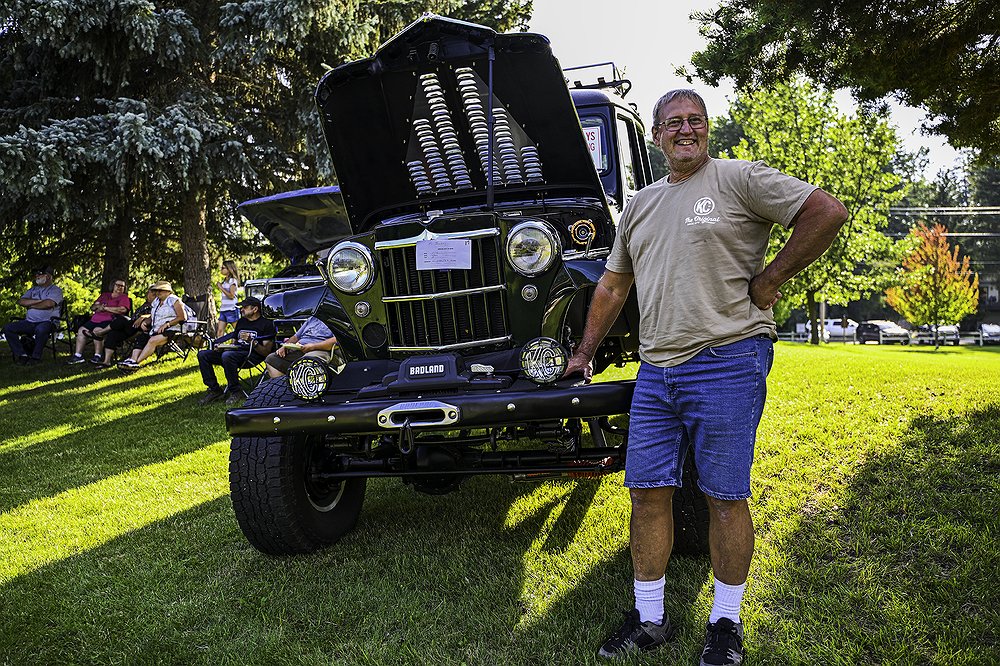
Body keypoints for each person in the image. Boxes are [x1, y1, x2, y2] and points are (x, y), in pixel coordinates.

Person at [562, 89, 848, 666]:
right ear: (656, 135)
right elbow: (613, 286)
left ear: (708, 128)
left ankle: (725, 623)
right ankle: (649, 618)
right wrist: (583, 353)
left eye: (695, 120)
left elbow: (826, 212)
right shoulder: (639, 206)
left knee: (724, 496)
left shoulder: (738, 179)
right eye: (673, 123)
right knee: (647, 493)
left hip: (728, 359)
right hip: (656, 371)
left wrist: (770, 280)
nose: (685, 130)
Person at [197, 297, 277, 406]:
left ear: (255, 309)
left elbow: (266, 352)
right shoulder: (241, 321)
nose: (241, 309)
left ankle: (236, 391)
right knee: (203, 354)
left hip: (252, 355)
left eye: (245, 307)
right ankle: (214, 390)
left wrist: (252, 342)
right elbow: (234, 342)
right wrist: (223, 347)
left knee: (227, 356)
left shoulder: (266, 324)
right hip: (234, 353)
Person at [117, 281, 186, 370]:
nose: (158, 292)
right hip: (156, 329)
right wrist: (146, 322)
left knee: (152, 340)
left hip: (173, 329)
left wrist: (167, 324)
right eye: (157, 290)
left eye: (161, 290)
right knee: (142, 337)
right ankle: (132, 360)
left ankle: (135, 363)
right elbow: (153, 316)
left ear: (168, 291)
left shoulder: (174, 300)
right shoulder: (156, 302)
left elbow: (182, 317)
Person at [3, 267, 64, 365]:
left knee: (41, 329)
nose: (37, 276)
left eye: (39, 274)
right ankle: (22, 355)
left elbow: (49, 304)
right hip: (29, 322)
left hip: (48, 322)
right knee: (8, 328)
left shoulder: (55, 290)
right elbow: (21, 301)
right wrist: (40, 301)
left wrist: (31, 305)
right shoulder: (33, 289)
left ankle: (36, 357)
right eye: (36, 274)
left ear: (48, 276)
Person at [66, 279, 132, 364]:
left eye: (122, 286)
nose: (119, 287)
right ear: (113, 286)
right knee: (81, 330)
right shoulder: (104, 295)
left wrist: (105, 308)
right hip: (94, 319)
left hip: (110, 320)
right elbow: (93, 307)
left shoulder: (124, 297)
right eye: (117, 285)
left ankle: (97, 356)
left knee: (97, 330)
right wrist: (99, 307)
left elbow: (122, 310)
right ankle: (78, 356)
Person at [264, 315, 339, 378]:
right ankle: (284, 387)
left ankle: (305, 388)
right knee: (271, 359)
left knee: (306, 361)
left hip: (321, 349)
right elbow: (296, 337)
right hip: (300, 348)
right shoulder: (312, 319)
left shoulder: (335, 320)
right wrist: (285, 346)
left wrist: (313, 346)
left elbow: (336, 340)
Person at [97, 288, 155, 367]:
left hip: (140, 328)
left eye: (152, 294)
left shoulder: (157, 305)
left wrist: (143, 317)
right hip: (131, 327)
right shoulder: (145, 304)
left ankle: (101, 332)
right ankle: (106, 361)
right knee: (113, 333)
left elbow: (157, 314)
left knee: (122, 319)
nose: (149, 295)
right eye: (149, 293)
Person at [216, 260, 242, 337]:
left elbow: (231, 296)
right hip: (223, 309)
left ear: (229, 269)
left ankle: (241, 342)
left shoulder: (232, 281)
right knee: (220, 331)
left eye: (223, 268)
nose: (221, 269)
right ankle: (219, 343)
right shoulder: (225, 281)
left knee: (237, 330)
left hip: (231, 309)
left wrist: (221, 288)